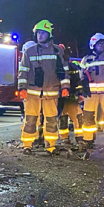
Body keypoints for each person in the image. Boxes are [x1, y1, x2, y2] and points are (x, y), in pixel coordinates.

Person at [18, 20, 69, 154]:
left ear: (49, 34)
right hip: (32, 92)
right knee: (30, 120)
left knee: (51, 120)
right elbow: (23, 71)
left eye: (43, 33)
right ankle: (27, 145)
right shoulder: (29, 51)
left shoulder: (57, 51)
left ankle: (50, 145)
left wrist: (65, 87)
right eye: (38, 33)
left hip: (51, 92)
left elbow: (64, 71)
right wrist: (22, 88)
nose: (40, 36)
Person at [57, 47, 84, 146]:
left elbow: (78, 82)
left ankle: (80, 138)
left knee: (78, 117)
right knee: (62, 118)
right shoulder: (55, 68)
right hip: (60, 98)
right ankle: (64, 139)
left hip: (72, 97)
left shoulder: (72, 67)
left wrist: (80, 93)